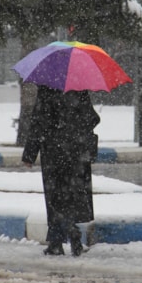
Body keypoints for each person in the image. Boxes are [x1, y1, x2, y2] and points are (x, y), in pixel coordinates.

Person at [22, 85, 100, 256]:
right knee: (72, 194)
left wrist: (29, 154)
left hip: (53, 152)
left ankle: (56, 241)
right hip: (77, 152)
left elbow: (38, 122)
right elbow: (93, 118)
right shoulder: (79, 88)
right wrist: (76, 128)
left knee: (55, 197)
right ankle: (74, 235)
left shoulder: (46, 89)